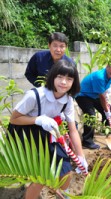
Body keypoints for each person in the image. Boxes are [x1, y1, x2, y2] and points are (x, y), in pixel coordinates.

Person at [9, 60, 87, 199]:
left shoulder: (68, 100)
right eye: (60, 77)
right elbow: (14, 119)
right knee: (40, 177)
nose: (64, 82)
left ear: (74, 82)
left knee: (66, 171)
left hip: (49, 134)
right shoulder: (35, 95)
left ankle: (62, 194)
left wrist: (81, 156)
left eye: (69, 79)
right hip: (27, 135)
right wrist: (37, 119)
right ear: (52, 77)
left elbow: (73, 130)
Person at [75, 61, 111, 149]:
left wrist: (107, 108)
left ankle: (106, 130)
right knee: (91, 115)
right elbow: (101, 96)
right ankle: (87, 141)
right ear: (108, 67)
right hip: (83, 95)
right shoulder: (100, 77)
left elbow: (103, 91)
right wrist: (106, 111)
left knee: (109, 108)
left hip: (93, 95)